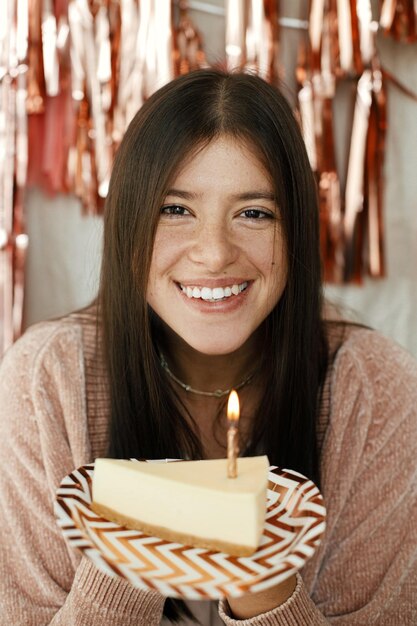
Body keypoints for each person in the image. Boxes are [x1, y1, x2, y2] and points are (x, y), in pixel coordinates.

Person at [0, 68, 416, 626]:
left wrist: (266, 589)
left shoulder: (377, 389)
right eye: (176, 209)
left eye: (253, 213)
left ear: (295, 232)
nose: (214, 253)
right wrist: (130, 556)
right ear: (128, 224)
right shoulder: (43, 381)